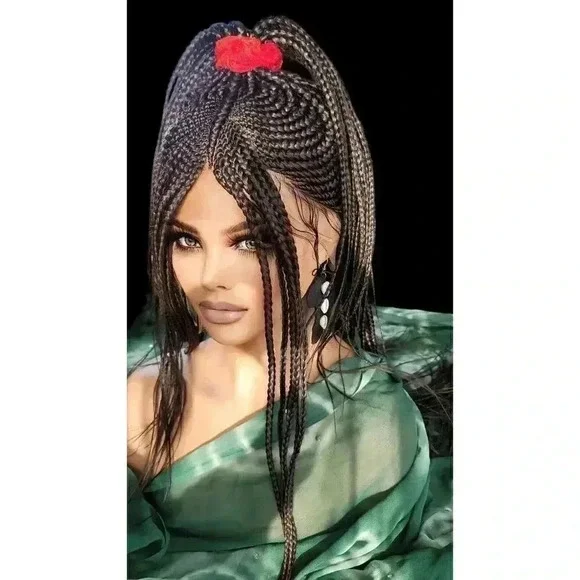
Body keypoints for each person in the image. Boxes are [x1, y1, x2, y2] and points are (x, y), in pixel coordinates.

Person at [127, 15, 452, 580]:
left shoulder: (376, 431)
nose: (209, 275)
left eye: (250, 241)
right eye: (186, 239)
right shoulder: (138, 406)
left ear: (330, 232)